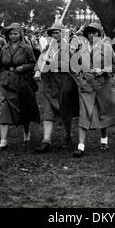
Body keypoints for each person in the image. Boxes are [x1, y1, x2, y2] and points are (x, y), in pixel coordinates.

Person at [72, 23, 115, 157]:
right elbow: (74, 64)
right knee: (84, 113)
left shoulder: (106, 48)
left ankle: (104, 138)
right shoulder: (82, 48)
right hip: (86, 85)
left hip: (102, 84)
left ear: (100, 34)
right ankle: (80, 146)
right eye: (89, 33)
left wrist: (103, 70)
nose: (92, 35)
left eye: (95, 32)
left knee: (102, 111)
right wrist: (79, 76)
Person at [34, 22, 79, 153]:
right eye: (53, 33)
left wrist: (51, 62)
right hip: (50, 82)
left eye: (57, 32)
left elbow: (68, 64)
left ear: (62, 33)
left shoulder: (67, 47)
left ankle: (68, 136)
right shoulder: (48, 47)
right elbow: (40, 61)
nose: (55, 35)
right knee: (48, 112)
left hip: (63, 82)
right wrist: (39, 69)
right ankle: (46, 141)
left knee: (65, 111)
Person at [0, 23, 40, 151]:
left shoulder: (26, 48)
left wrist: (23, 67)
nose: (13, 36)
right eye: (10, 34)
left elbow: (33, 63)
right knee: (3, 107)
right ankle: (3, 140)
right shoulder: (4, 48)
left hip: (22, 82)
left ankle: (26, 133)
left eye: (15, 33)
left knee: (24, 108)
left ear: (20, 34)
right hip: (6, 82)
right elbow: (1, 63)